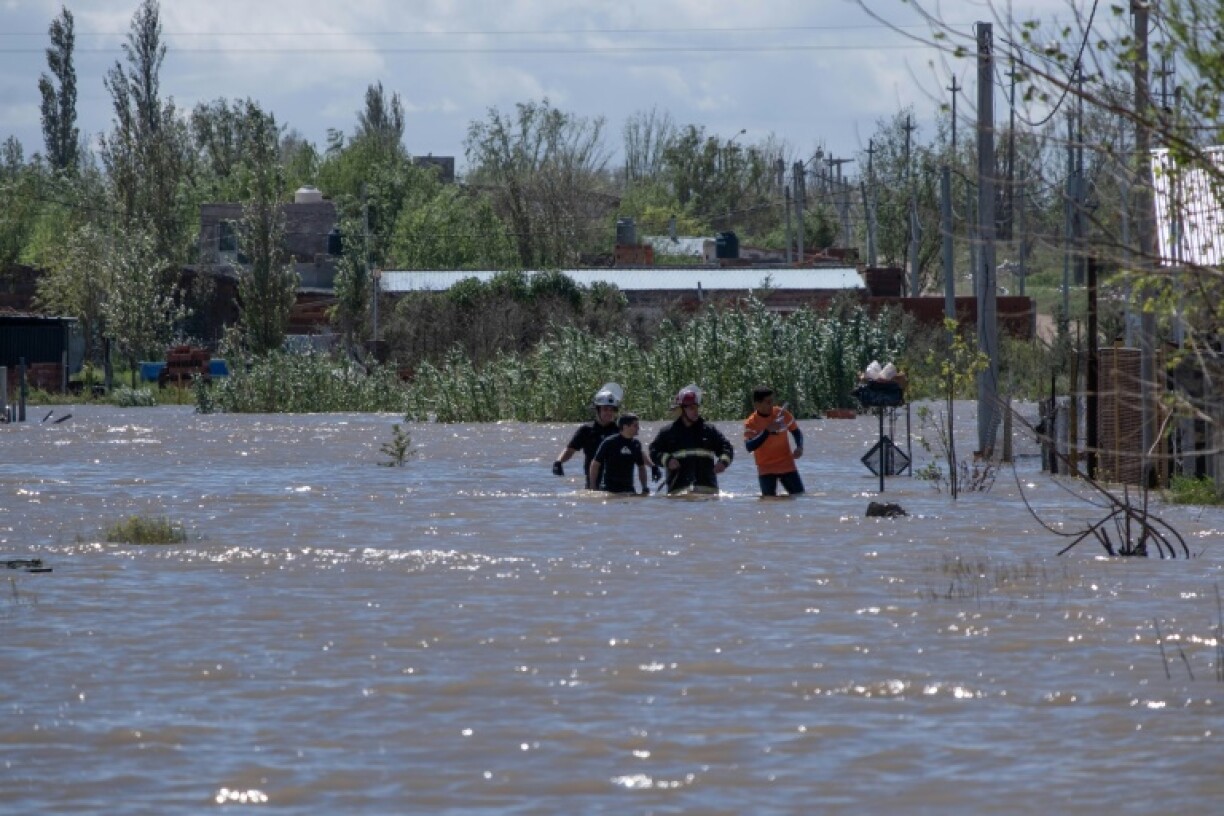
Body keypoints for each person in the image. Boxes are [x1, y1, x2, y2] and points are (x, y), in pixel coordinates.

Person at [648, 384, 734, 494]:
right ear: (681, 410)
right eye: (692, 408)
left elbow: (726, 447)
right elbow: (654, 451)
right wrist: (667, 460)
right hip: (679, 492)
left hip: (707, 490)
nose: (696, 411)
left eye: (696, 407)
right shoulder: (668, 432)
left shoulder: (709, 430)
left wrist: (723, 462)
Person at [552, 382, 624, 489]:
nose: (609, 413)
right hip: (593, 481)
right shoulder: (586, 430)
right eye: (605, 409)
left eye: (611, 409)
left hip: (617, 481)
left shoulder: (619, 430)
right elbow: (570, 449)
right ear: (597, 410)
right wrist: (558, 462)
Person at [743, 384, 805, 497]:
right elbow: (749, 446)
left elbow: (796, 431)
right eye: (768, 402)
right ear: (757, 404)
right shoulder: (751, 423)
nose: (772, 405)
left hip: (787, 465)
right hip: (765, 468)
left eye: (772, 401)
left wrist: (799, 447)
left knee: (800, 497)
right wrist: (767, 431)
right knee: (768, 502)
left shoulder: (782, 414)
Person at [589, 413, 650, 495]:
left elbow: (641, 467)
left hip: (629, 489)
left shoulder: (636, 444)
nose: (638, 428)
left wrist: (644, 487)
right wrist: (593, 486)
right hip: (609, 489)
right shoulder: (609, 442)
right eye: (635, 426)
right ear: (625, 427)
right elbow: (595, 464)